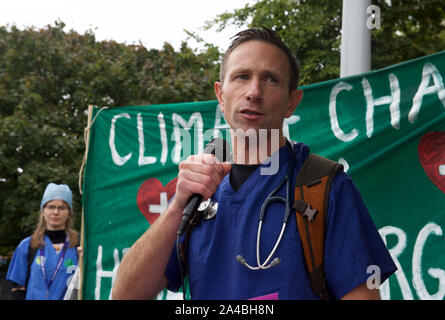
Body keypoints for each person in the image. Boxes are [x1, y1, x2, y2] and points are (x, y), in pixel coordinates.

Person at [112, 27, 397, 300]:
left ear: (291, 102)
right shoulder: (198, 195)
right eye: (241, 77)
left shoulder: (325, 186)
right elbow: (124, 294)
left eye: (271, 79)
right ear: (220, 96)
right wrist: (177, 206)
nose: (254, 92)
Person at [6, 183, 80, 300]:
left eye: (62, 207)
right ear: (43, 211)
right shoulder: (27, 246)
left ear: (69, 212)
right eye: (51, 207)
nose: (56, 212)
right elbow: (17, 290)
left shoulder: (79, 245)